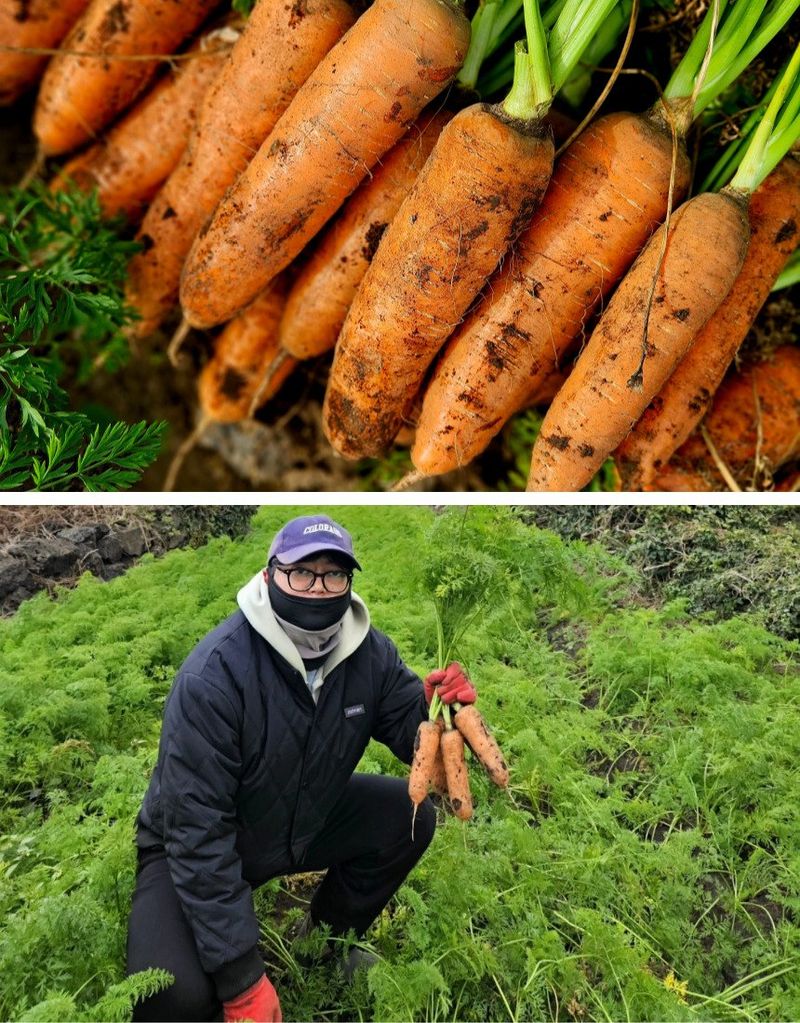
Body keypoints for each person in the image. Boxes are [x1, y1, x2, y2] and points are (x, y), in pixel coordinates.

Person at [125, 513, 477, 1022]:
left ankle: (326, 936)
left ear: (349, 582)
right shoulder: (216, 674)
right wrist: (242, 978)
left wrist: (442, 718)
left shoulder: (368, 653)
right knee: (171, 996)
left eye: (334, 575)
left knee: (411, 817)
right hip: (194, 846)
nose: (318, 589)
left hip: (302, 816)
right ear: (269, 576)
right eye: (301, 573)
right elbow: (195, 830)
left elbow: (408, 727)